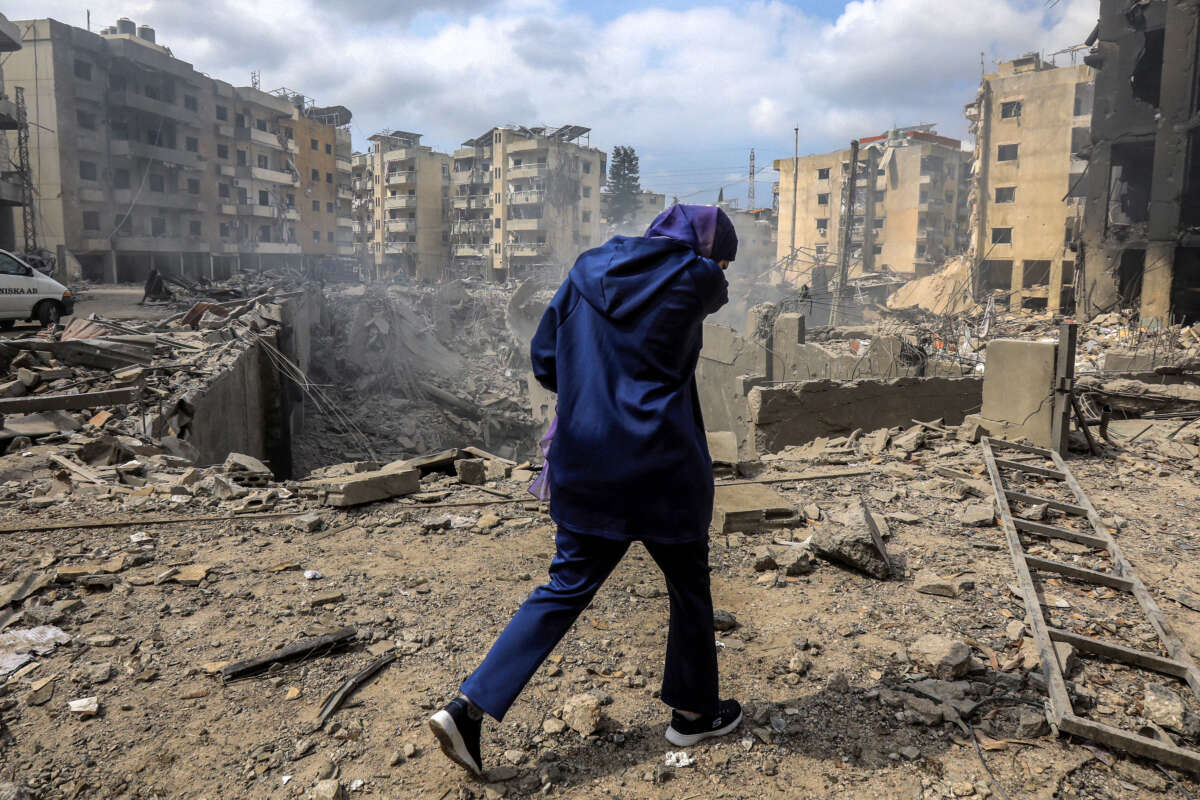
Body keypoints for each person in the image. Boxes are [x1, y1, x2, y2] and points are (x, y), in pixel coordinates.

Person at [429, 204, 742, 776]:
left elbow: (545, 361)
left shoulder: (585, 272)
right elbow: (712, 283)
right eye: (722, 255)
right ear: (705, 251)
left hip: (586, 461)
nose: (723, 268)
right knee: (689, 587)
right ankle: (695, 716)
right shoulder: (697, 280)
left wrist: (593, 376)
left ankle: (467, 710)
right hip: (662, 467)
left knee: (563, 587)